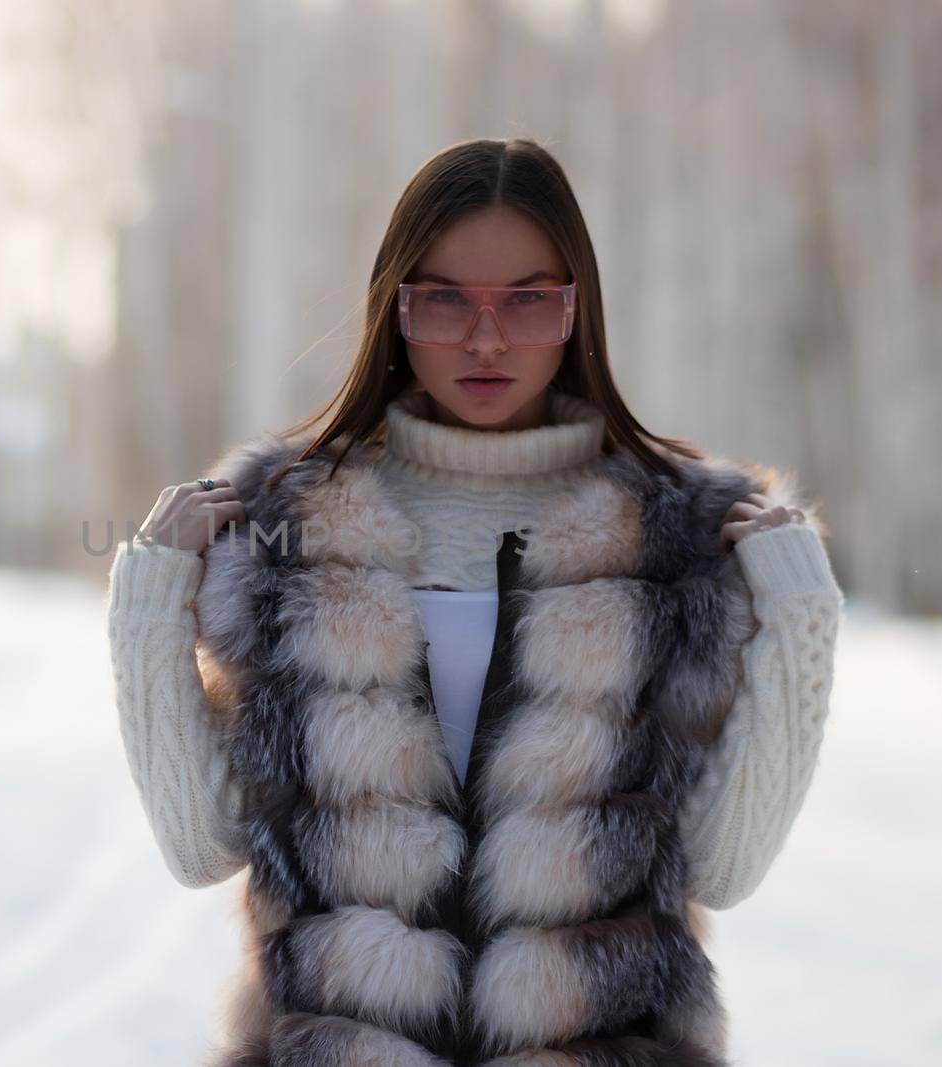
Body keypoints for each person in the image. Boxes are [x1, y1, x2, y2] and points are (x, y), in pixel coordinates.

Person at [105, 137, 842, 1066]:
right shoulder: (281, 519)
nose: (486, 337)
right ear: (395, 308)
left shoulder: (681, 531)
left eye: (529, 300)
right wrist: (145, 613)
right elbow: (199, 845)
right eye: (445, 298)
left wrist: (804, 619)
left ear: (578, 312)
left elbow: (724, 867)